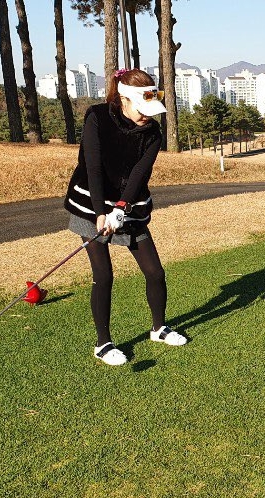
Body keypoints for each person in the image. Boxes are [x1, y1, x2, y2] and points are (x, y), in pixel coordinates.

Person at [64, 68, 187, 366]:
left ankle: (159, 328)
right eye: (141, 109)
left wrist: (121, 207)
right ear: (123, 100)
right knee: (104, 274)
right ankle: (103, 344)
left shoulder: (152, 132)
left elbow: (140, 172)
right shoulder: (97, 117)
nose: (147, 116)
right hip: (90, 202)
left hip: (130, 204)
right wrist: (101, 212)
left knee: (155, 272)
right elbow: (93, 167)